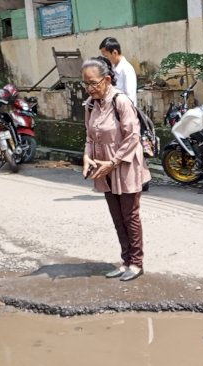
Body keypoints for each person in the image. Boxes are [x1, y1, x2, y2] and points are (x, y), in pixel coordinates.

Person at [82, 57, 151, 282]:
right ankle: (125, 260)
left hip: (125, 165)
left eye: (93, 83)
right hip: (103, 168)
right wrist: (86, 156)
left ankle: (137, 263)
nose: (90, 88)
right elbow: (90, 137)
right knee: (116, 216)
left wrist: (113, 162)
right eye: (86, 84)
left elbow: (132, 137)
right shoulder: (90, 104)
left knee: (130, 215)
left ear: (107, 79)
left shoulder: (120, 102)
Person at [99, 37, 137, 106]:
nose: (106, 59)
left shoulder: (127, 70)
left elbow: (130, 98)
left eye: (106, 56)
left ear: (114, 53)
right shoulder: (112, 68)